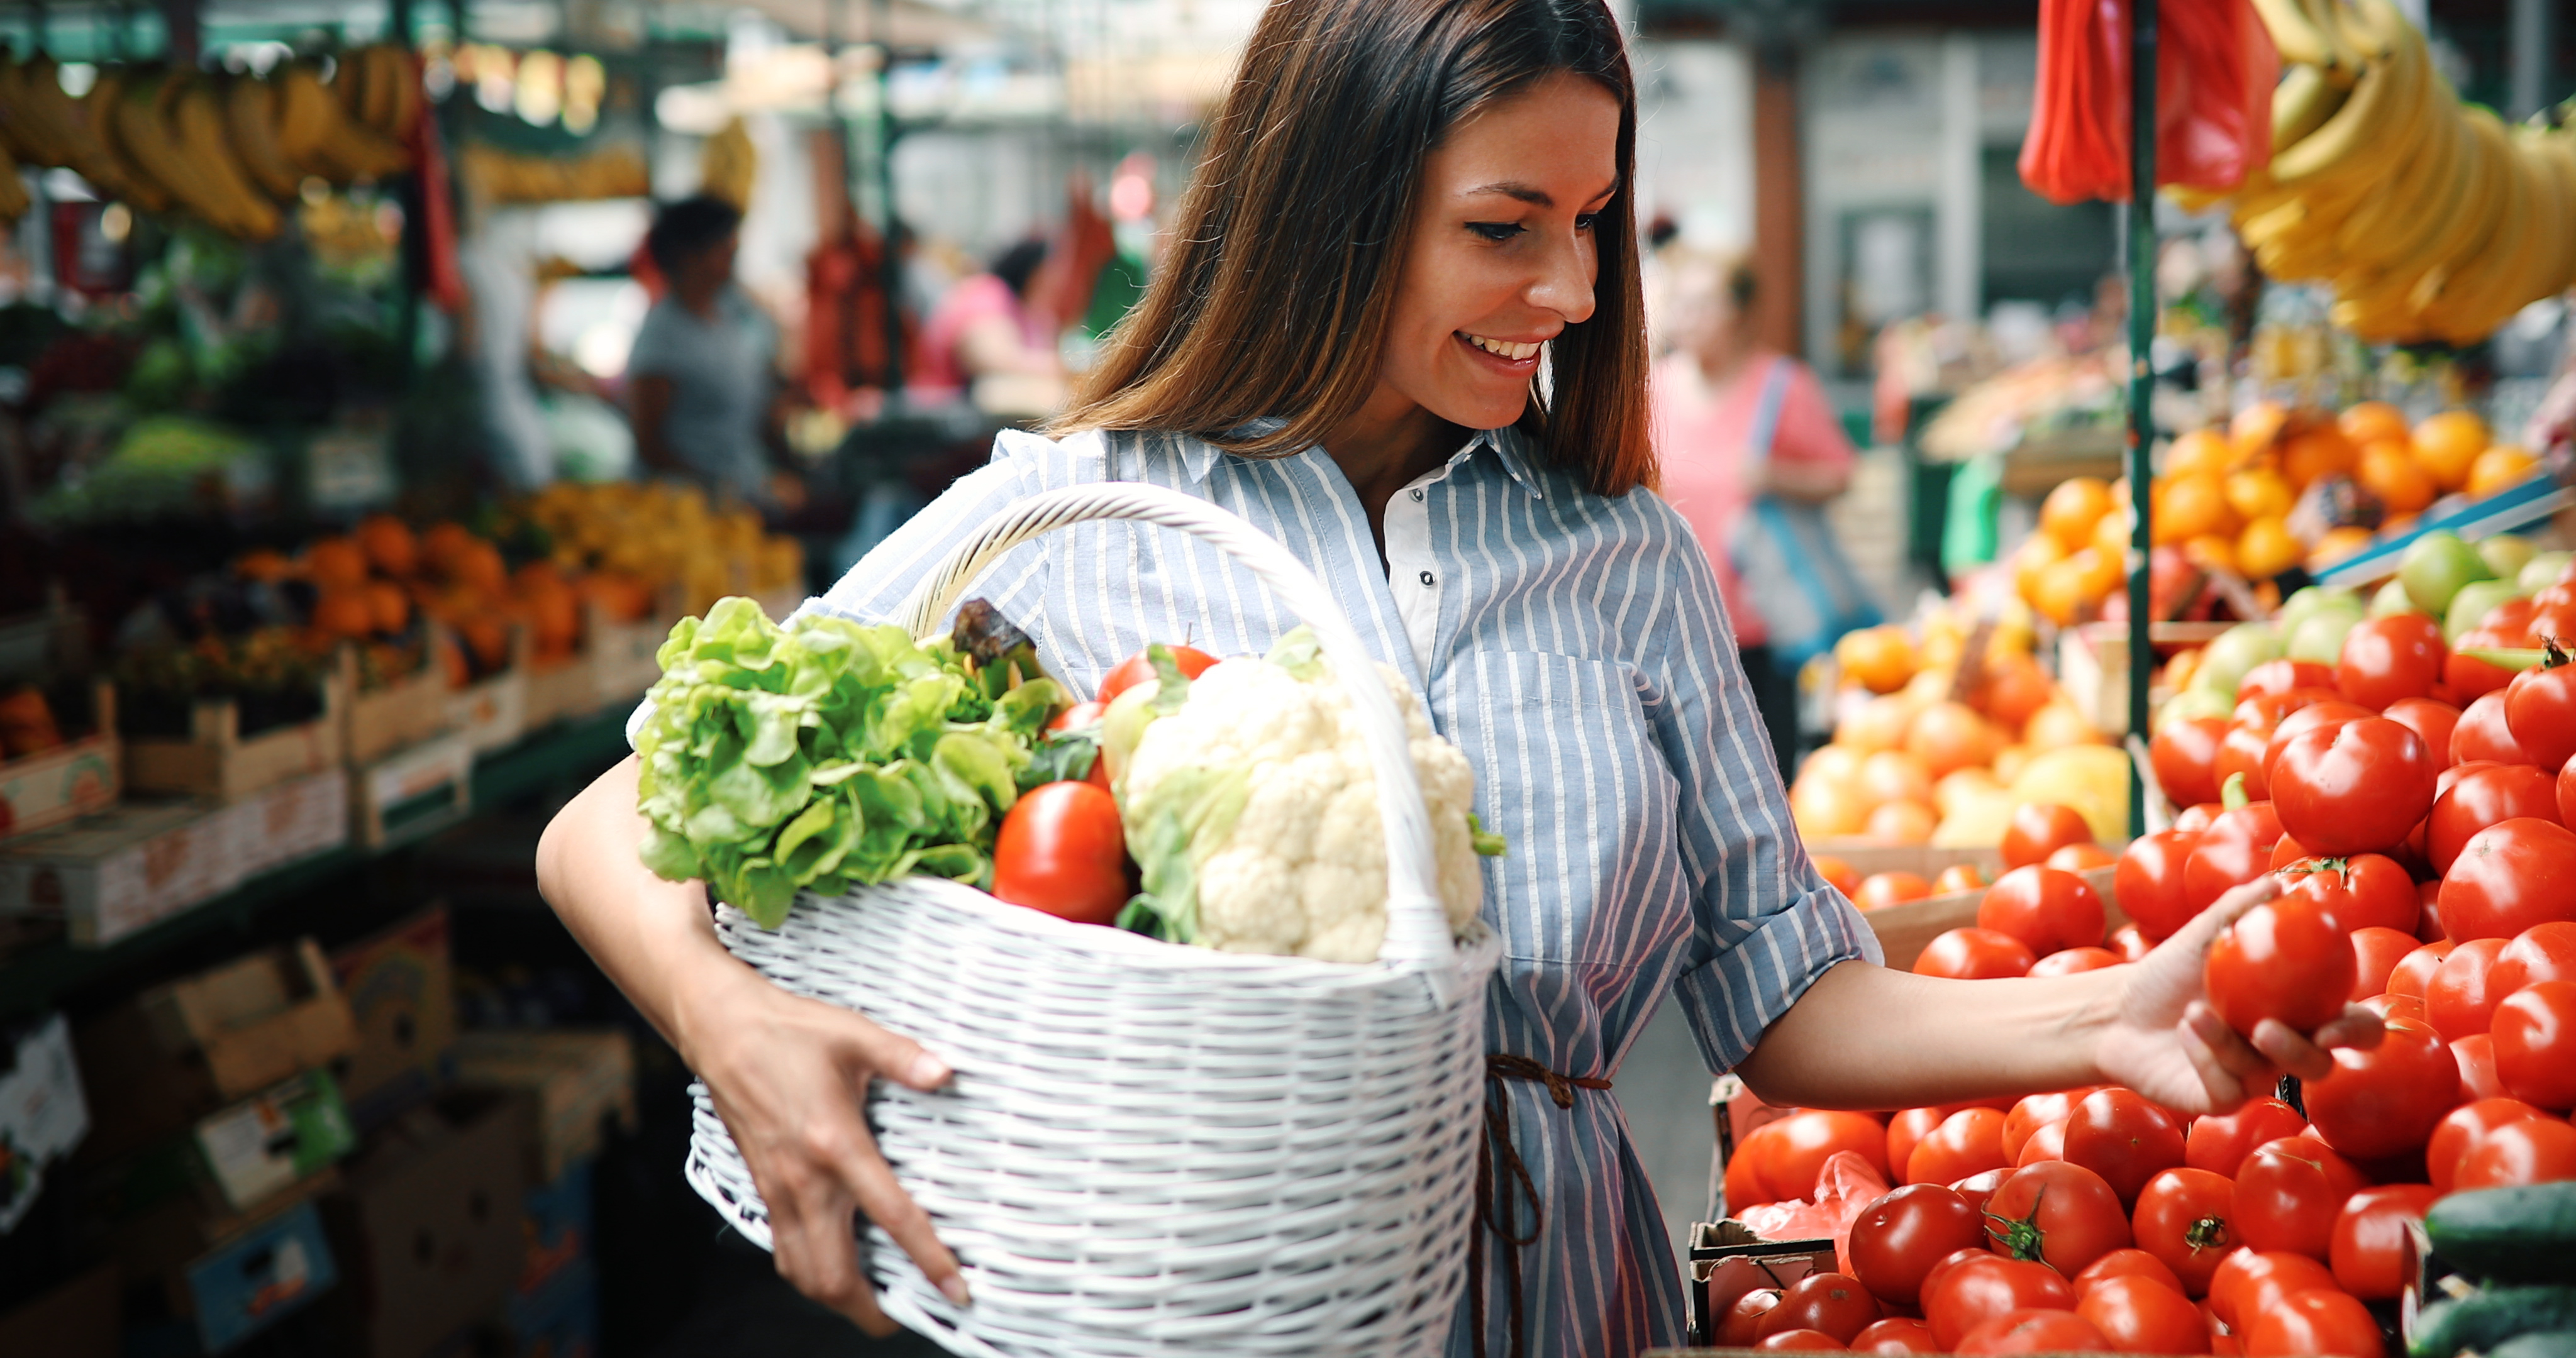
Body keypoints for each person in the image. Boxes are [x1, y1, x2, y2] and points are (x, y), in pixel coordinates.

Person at [535, 3, 2382, 1355]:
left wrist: (2103, 1022)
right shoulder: (1074, 523)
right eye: (1508, 228)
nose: (1572, 288)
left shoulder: (1623, 550)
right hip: (1205, 1312)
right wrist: (738, 1033)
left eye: (1594, 223)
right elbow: (611, 826)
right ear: (1332, 211)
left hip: (1578, 1307)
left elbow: (1788, 999)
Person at [1652, 248, 1858, 771]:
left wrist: (1774, 476)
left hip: (1763, 625)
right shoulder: (1652, 388)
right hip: (1674, 623)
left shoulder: (1782, 386)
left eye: (1704, 303)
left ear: (1739, 311)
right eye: (1680, 303)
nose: (1688, 317)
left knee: (1768, 769)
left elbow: (1840, 474)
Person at [625, 194, 799, 511]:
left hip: (742, 491)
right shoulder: (662, 336)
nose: (733, 254)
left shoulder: (731, 313)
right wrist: (710, 487)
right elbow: (649, 444)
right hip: (686, 507)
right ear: (687, 255)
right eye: (722, 246)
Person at [913, 237, 1066, 416]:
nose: (1060, 280)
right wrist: (1066, 367)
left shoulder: (1031, 311)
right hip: (941, 416)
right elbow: (991, 360)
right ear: (1035, 270)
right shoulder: (989, 293)